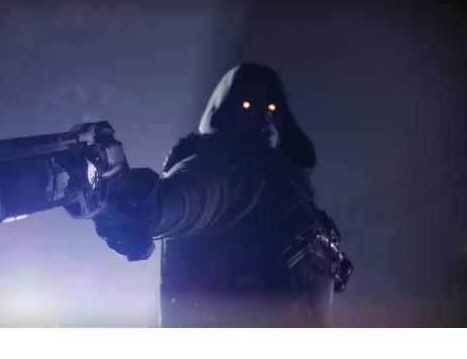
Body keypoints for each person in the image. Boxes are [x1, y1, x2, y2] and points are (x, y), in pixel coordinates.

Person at [93, 64, 352, 327]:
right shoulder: (228, 168)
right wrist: (132, 201)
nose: (264, 116)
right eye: (248, 105)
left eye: (271, 108)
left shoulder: (289, 186)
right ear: (225, 111)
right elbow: (190, 197)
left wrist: (334, 262)